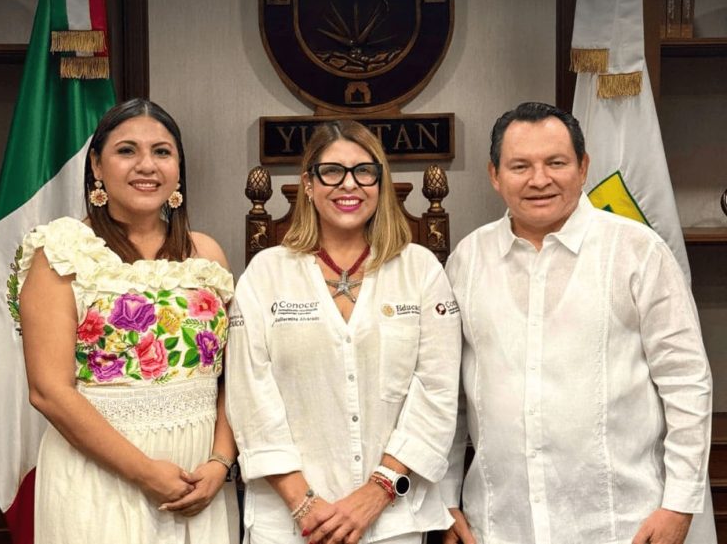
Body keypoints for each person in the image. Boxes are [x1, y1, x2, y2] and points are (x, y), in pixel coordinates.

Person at [442, 101, 714, 544]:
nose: (539, 179)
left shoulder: (638, 251)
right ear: (495, 175)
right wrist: (445, 497)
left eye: (556, 163)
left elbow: (686, 383)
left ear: (583, 167)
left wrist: (679, 505)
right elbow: (449, 396)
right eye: (520, 166)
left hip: (622, 525)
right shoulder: (467, 261)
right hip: (499, 524)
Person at [226, 119, 461, 544]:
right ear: (308, 184)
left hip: (391, 519)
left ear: (380, 182)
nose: (348, 184)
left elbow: (437, 392)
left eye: (364, 171)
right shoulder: (266, 273)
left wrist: (377, 491)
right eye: (331, 171)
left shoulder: (421, 269)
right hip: (288, 523)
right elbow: (249, 396)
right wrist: (305, 504)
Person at [17, 99, 238, 543]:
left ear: (178, 170)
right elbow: (49, 392)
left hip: (200, 482)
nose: (147, 165)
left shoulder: (207, 255)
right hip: (100, 480)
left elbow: (233, 379)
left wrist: (220, 462)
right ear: (96, 165)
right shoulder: (61, 253)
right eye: (126, 150)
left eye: (162, 152)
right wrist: (146, 473)